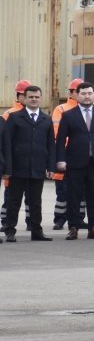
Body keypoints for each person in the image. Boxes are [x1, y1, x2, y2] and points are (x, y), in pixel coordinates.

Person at [55, 82, 94, 241]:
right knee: (73, 196)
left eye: (89, 93)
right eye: (83, 94)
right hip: (74, 163)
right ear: (77, 95)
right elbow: (60, 140)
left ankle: (93, 228)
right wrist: (60, 159)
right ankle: (73, 228)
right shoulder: (68, 115)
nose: (87, 96)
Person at [2, 85, 55, 241]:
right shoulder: (14, 118)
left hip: (37, 167)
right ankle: (10, 231)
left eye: (36, 97)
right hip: (18, 168)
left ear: (40, 98)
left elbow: (50, 145)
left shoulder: (47, 119)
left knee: (36, 202)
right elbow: (7, 144)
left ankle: (36, 231)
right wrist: (8, 168)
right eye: (30, 97)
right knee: (13, 201)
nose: (33, 99)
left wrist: (50, 167)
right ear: (24, 99)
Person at [50, 77, 85, 230]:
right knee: (63, 191)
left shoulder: (87, 109)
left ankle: (79, 219)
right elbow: (58, 134)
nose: (81, 94)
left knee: (82, 190)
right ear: (71, 93)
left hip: (81, 157)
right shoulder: (61, 109)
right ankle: (60, 219)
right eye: (78, 91)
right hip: (64, 155)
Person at [1, 79, 33, 233]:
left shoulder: (32, 113)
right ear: (18, 96)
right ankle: (5, 222)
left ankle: (31, 222)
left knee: (31, 197)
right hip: (14, 163)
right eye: (24, 95)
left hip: (29, 163)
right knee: (11, 197)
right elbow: (5, 142)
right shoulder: (9, 114)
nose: (27, 98)